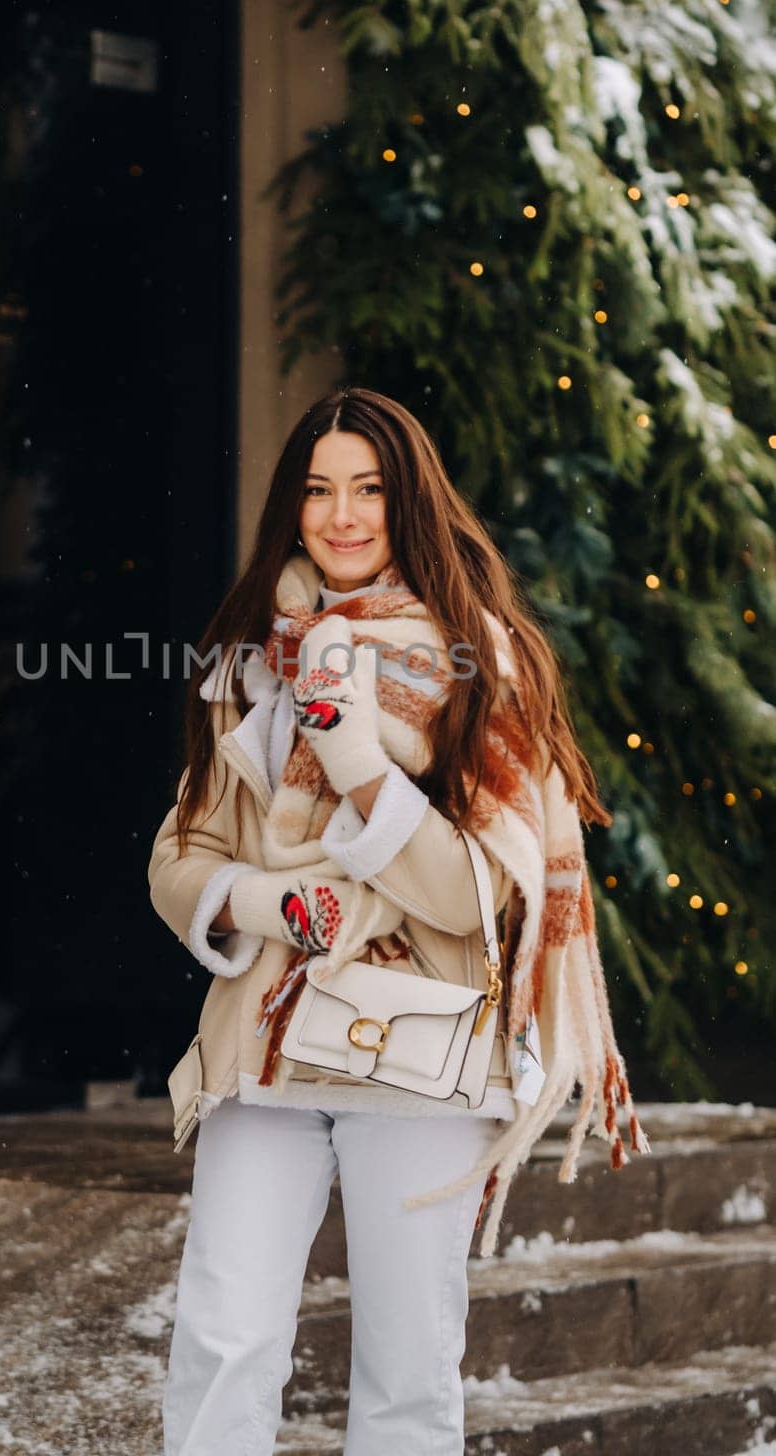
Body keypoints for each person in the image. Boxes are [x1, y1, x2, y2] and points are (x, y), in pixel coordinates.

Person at [147, 386, 649, 1456]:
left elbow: (475, 895)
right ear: (290, 506)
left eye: (367, 490)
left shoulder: (481, 663)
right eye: (317, 489)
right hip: (266, 1040)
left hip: (418, 1046)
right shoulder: (252, 657)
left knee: (406, 1367)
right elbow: (180, 854)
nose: (340, 515)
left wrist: (355, 759)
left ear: (406, 501)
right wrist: (267, 899)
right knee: (222, 1336)